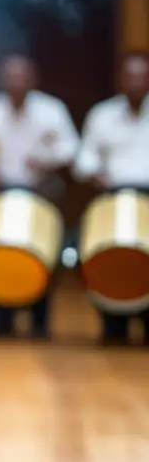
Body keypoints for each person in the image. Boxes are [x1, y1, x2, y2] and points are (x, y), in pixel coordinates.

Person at [0, 54, 79, 339]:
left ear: (32, 79)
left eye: (22, 76)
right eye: (10, 77)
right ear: (3, 80)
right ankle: (0, 319)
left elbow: (71, 148)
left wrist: (46, 162)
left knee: (44, 253)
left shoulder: (52, 110)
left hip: (41, 192)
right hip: (1, 191)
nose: (16, 82)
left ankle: (40, 321)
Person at [73, 52, 149, 345]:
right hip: (112, 197)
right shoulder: (101, 115)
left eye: (142, 77)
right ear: (121, 81)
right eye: (131, 77)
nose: (136, 83)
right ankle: (111, 322)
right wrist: (96, 174)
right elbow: (84, 158)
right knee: (104, 256)